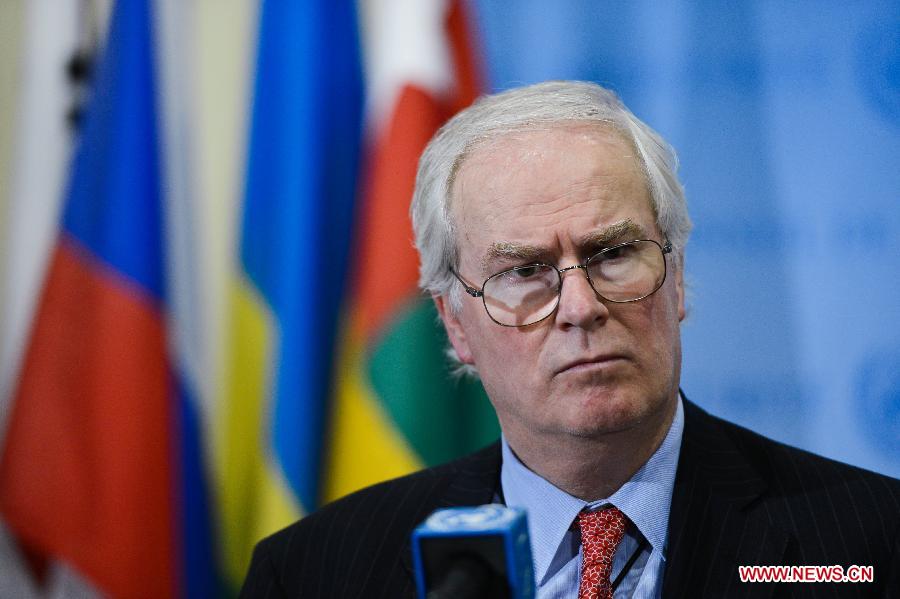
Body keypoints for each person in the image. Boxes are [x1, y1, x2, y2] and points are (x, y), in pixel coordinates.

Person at [240, 81, 900, 598]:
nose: (580, 307)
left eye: (613, 252)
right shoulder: (315, 572)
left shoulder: (874, 541)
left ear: (676, 278)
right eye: (524, 271)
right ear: (455, 323)